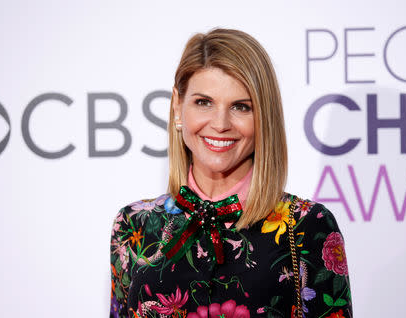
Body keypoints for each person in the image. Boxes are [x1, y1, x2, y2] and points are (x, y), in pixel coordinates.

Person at [110, 28, 352, 318]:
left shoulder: (306, 226)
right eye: (204, 102)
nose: (221, 123)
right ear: (178, 106)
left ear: (264, 117)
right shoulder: (133, 226)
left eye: (241, 106)